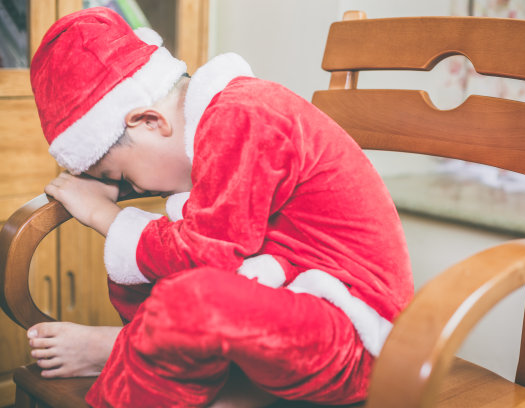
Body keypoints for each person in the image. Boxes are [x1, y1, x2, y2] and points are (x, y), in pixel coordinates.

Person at [27, 7, 413, 408]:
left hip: (351, 337)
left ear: (150, 120)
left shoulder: (244, 116)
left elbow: (208, 259)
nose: (129, 187)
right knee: (138, 262)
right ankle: (136, 347)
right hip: (287, 292)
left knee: (186, 293)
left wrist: (104, 215)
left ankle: (125, 350)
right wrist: (123, 228)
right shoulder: (216, 124)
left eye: (119, 174)